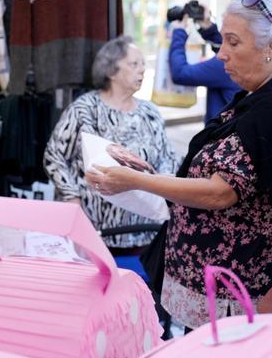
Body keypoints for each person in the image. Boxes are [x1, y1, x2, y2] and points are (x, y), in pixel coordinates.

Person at [85, 0, 272, 329]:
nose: (222, 54)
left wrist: (135, 180)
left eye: (233, 42)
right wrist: (143, 170)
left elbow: (220, 191)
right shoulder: (266, 97)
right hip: (225, 289)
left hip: (238, 296)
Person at [44, 36, 178, 252]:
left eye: (143, 64)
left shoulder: (150, 112)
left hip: (146, 231)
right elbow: (54, 157)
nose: (142, 70)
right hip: (96, 234)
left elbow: (168, 159)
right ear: (111, 71)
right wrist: (72, 198)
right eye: (134, 64)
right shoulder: (85, 109)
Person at [168, 6, 241, 122]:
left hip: (221, 134)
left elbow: (180, 73)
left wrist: (179, 32)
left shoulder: (225, 65)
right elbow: (225, 46)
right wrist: (208, 28)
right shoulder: (244, 55)